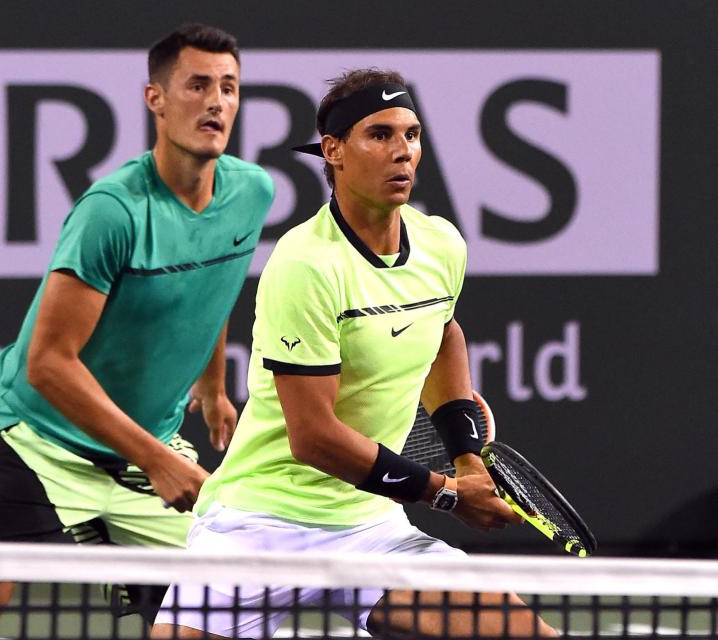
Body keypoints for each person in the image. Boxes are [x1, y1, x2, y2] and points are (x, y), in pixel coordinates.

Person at [152, 68, 556, 638]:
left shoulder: (441, 243)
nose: (404, 153)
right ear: (334, 151)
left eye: (412, 135)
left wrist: (466, 459)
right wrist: (446, 496)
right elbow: (313, 437)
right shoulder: (306, 264)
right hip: (260, 525)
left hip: (371, 526)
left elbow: (442, 336)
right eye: (380, 135)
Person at [0, 24, 274, 639]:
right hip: (48, 449)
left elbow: (213, 289)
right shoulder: (112, 211)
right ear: (155, 99)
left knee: (224, 606)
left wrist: (213, 390)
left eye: (229, 87)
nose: (216, 101)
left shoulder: (251, 193)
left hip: (145, 454)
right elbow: (49, 364)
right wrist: (157, 459)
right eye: (197, 85)